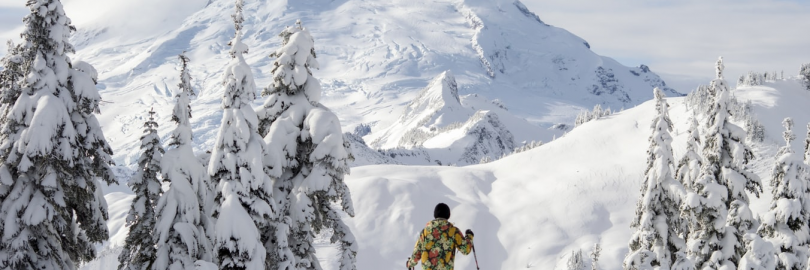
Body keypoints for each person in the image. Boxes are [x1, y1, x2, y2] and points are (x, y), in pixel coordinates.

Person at [406, 203, 474, 270]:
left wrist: (409, 263)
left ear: (435, 215)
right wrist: (469, 237)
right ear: (448, 215)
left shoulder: (425, 232)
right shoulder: (453, 231)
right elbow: (466, 250)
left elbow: (416, 254)